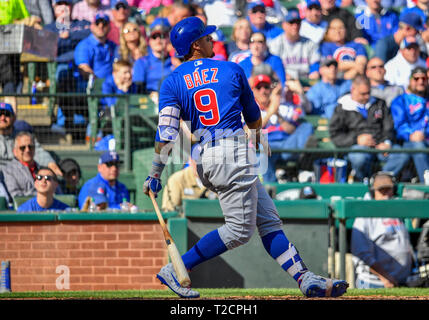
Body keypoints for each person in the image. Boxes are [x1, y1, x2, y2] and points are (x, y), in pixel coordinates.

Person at [143, 16, 348, 299]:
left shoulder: (171, 82)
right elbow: (254, 119)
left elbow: (166, 133)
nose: (212, 39)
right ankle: (176, 269)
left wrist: (155, 173)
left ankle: (304, 278)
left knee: (268, 221)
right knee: (239, 231)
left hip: (204, 156)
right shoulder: (231, 69)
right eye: (206, 37)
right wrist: (257, 140)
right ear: (196, 46)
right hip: (233, 151)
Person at [329, 75, 410, 181]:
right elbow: (335, 134)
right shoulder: (342, 107)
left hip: (380, 145)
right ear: (353, 89)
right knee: (359, 158)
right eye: (363, 94)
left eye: (368, 93)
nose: (367, 97)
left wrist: (387, 142)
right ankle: (365, 182)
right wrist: (356, 139)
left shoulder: (379, 103)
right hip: (357, 146)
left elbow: (388, 127)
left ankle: (379, 180)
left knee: (402, 156)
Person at [351, 171, 414, 288]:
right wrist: (384, 277)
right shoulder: (364, 216)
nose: (386, 195)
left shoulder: (396, 210)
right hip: (375, 283)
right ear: (373, 192)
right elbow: (361, 253)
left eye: (388, 189)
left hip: (401, 281)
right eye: (382, 190)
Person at [251, 73, 314, 182]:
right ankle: (272, 189)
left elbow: (291, 130)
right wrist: (271, 111)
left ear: (271, 90)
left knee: (306, 126)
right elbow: (251, 132)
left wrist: (278, 115)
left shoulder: (284, 107)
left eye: (266, 87)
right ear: (254, 91)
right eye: (259, 87)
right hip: (267, 145)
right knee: (261, 151)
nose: (263, 91)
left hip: (287, 145)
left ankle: (298, 155)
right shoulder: (250, 109)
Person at [0, 103, 62, 176]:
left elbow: (38, 152)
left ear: (13, 118)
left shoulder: (22, 136)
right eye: (0, 114)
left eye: (7, 114)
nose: (3, 118)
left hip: (19, 175)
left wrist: (51, 165)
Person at [390, 66, 429, 183]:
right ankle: (426, 184)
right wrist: (411, 135)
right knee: (417, 147)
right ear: (410, 81)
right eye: (416, 79)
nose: (421, 81)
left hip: (426, 139)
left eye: (424, 78)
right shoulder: (401, 100)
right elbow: (399, 125)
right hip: (407, 142)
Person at [268, 8, 321, 81]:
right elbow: (272, 66)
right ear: (284, 25)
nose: (295, 26)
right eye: (291, 22)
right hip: (284, 81)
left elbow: (315, 64)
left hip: (306, 80)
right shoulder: (275, 43)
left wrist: (314, 72)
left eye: (297, 22)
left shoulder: (310, 43)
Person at [132, 19, 174, 93]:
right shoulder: (142, 62)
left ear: (168, 39)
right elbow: (138, 90)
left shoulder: (175, 61)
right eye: (154, 37)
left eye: (162, 36)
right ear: (149, 41)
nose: (158, 40)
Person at [74, 12, 117, 81]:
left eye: (104, 23)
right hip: (92, 86)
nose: (101, 26)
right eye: (97, 23)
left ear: (109, 27)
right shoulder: (84, 45)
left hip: (112, 85)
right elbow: (84, 68)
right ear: (92, 26)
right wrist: (98, 83)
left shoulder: (112, 45)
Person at [3, 131, 39, 198]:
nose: (27, 150)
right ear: (15, 151)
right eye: (22, 148)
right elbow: (15, 196)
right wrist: (42, 195)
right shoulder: (9, 171)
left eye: (30, 147)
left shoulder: (43, 169)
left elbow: (57, 193)